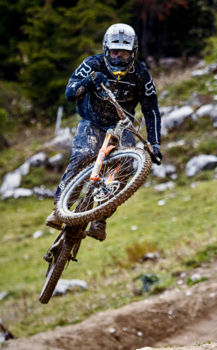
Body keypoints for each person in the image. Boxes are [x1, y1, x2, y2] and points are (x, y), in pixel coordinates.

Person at [45, 23, 162, 241]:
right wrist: (89, 81)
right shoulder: (92, 63)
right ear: (106, 49)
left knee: (127, 165)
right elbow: (70, 93)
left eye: (125, 53)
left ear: (133, 53)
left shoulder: (141, 75)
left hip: (122, 124)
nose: (119, 58)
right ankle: (60, 210)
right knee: (83, 155)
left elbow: (151, 110)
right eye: (114, 52)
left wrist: (155, 144)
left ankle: (101, 217)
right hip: (92, 122)